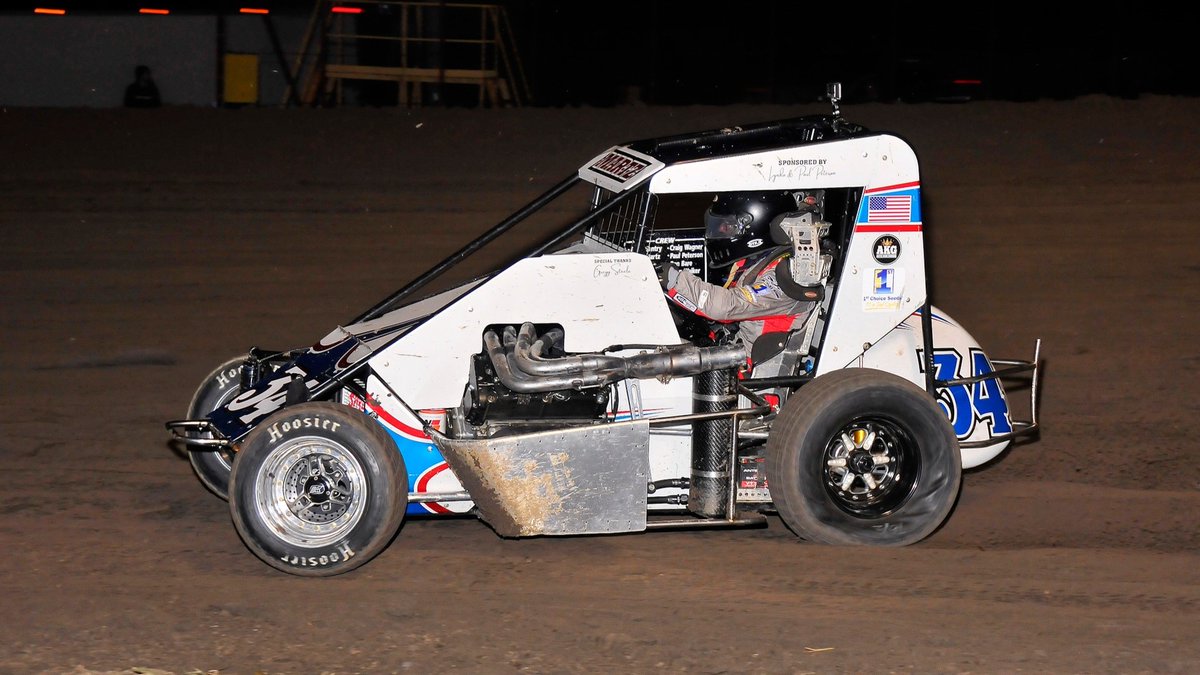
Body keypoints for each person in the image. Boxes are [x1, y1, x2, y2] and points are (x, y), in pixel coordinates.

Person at [658, 191, 824, 361]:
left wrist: (674, 280)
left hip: (749, 377)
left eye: (727, 226)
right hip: (731, 359)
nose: (719, 231)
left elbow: (728, 306)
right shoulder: (754, 264)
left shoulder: (787, 276)